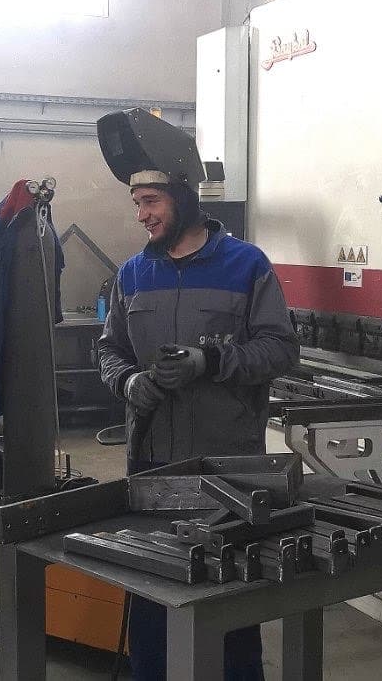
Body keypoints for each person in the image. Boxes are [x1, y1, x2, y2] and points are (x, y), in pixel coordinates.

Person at [94, 109, 300, 680]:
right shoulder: (132, 274)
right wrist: (130, 382)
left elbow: (281, 349)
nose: (142, 214)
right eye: (137, 203)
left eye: (151, 201)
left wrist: (211, 361)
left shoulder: (246, 265)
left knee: (230, 609)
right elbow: (109, 351)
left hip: (228, 474)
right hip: (153, 469)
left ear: (183, 197)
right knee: (151, 608)